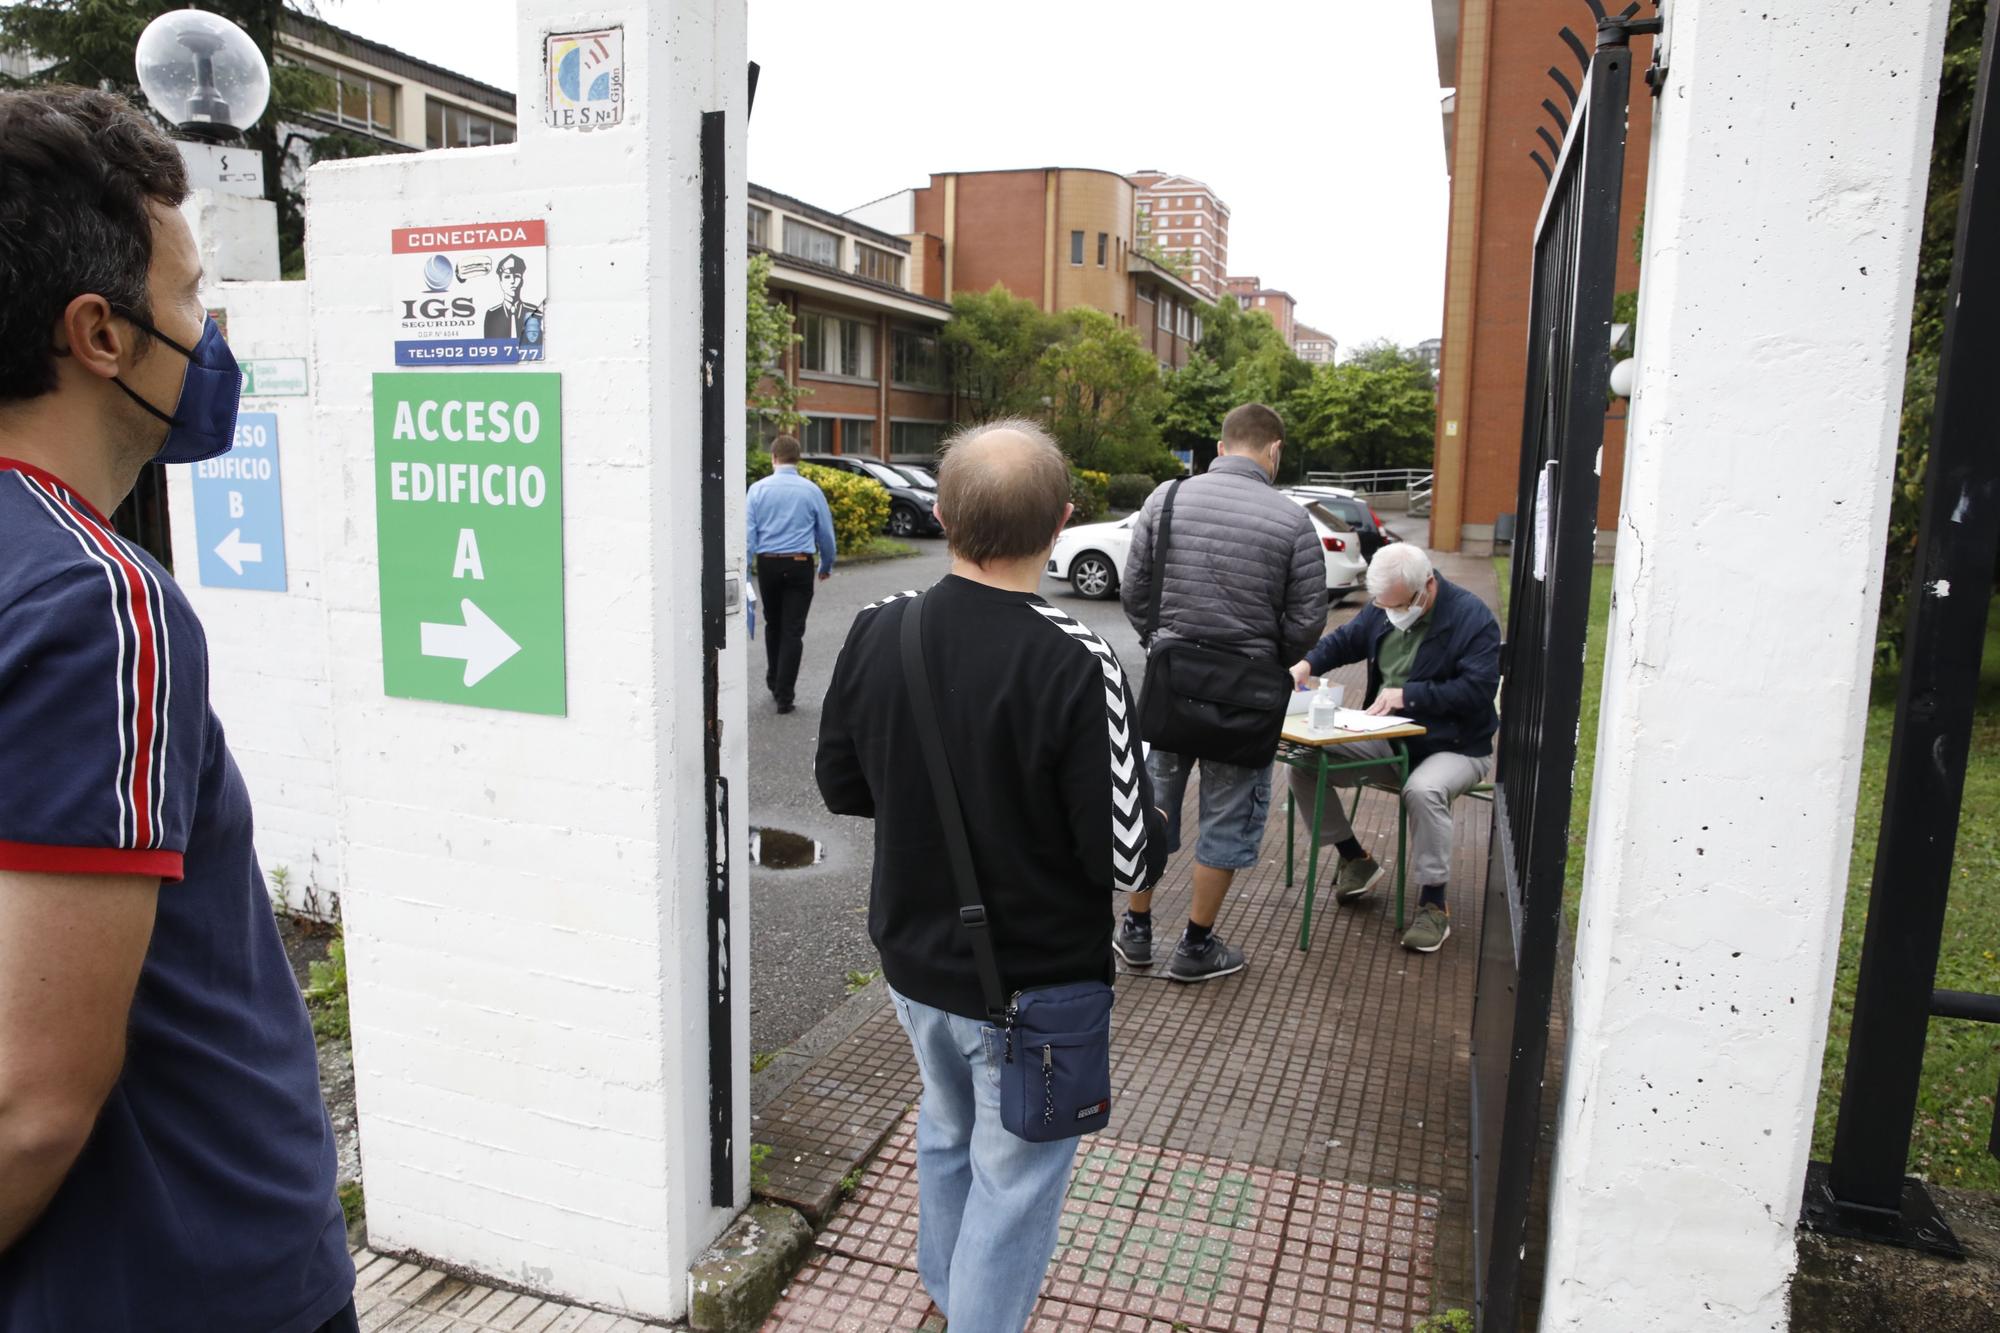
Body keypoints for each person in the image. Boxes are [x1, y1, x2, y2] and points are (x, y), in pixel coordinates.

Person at [0, 87, 355, 1331]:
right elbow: (33, 1103)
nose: (210, 336)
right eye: (194, 296)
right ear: (100, 332)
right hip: (184, 1276)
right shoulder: (95, 603)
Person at [816, 420, 1167, 1333]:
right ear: (1060, 521)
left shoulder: (877, 626)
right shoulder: (1077, 656)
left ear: (940, 512)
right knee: (1015, 1176)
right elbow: (1127, 855)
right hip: (1034, 989)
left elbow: (842, 785)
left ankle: (946, 1285)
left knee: (944, 1125)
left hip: (913, 961)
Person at [1116, 403, 1327, 982]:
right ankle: (1196, 944)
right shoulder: (1293, 521)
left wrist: (1162, 644)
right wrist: (1265, 659)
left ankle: (1135, 930)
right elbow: (1308, 619)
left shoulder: (1168, 498)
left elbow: (1134, 590)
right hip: (1246, 696)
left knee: (1150, 802)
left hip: (1171, 685)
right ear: (1273, 449)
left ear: (1221, 444)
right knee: (1228, 815)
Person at [1286, 543, 1500, 953]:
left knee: (1422, 790)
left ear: (1428, 587)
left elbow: (1478, 690)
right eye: (1384, 606)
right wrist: (1306, 665)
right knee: (1301, 762)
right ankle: (1355, 858)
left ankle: (1433, 904)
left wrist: (1409, 696)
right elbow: (1345, 640)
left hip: (1457, 745)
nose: (1392, 613)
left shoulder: (1472, 619)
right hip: (1391, 736)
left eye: (1399, 605)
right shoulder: (1385, 607)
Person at [746, 434, 837, 713]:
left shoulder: (757, 490)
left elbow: (749, 535)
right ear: (797, 459)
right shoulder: (811, 491)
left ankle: (774, 681)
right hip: (799, 565)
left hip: (768, 564)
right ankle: (785, 696)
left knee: (773, 624)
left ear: (773, 457)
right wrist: (826, 565)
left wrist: (745, 570)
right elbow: (826, 534)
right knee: (793, 629)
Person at [482, 252, 542, 339]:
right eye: (507, 277)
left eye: (517, 276)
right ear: (500, 282)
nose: (512, 281)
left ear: (522, 280)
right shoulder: (492, 314)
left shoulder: (534, 311)